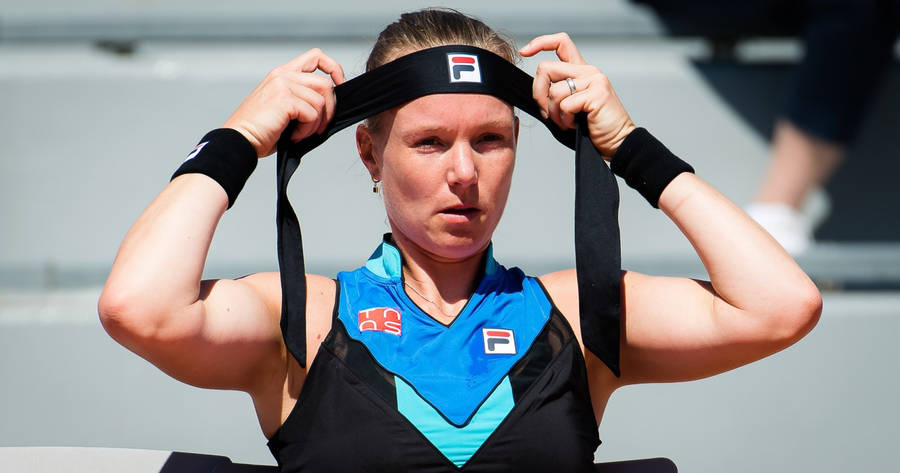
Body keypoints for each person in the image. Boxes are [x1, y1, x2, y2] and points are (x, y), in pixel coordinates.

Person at [98, 8, 822, 472]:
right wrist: (239, 139)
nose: (464, 173)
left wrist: (627, 145)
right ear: (370, 156)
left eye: (490, 139)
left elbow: (781, 305)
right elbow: (138, 305)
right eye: (430, 141)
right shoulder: (306, 318)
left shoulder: (576, 314)